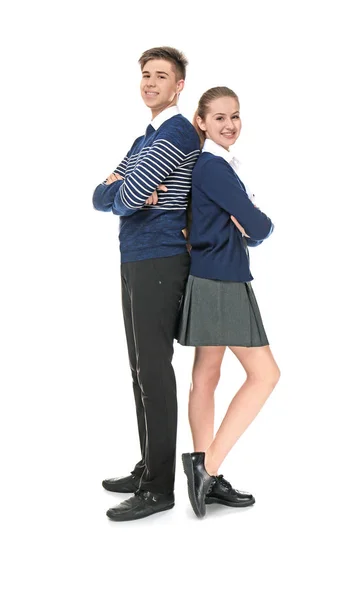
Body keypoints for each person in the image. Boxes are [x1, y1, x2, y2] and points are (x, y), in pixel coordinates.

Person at [92, 47, 200, 521]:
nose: (151, 83)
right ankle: (147, 467)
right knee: (139, 371)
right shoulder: (145, 138)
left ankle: (160, 487)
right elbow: (101, 195)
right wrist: (123, 190)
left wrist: (126, 190)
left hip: (160, 259)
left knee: (154, 373)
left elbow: (127, 193)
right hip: (135, 258)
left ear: (179, 86)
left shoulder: (176, 132)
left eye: (162, 76)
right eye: (146, 75)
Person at [178, 87, 281, 518]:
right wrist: (259, 225)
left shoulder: (210, 166)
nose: (229, 125)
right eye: (218, 117)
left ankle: (207, 473)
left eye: (235, 116)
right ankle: (209, 468)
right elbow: (257, 223)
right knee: (265, 375)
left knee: (207, 375)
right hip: (222, 279)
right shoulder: (214, 168)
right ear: (201, 121)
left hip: (209, 276)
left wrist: (248, 226)